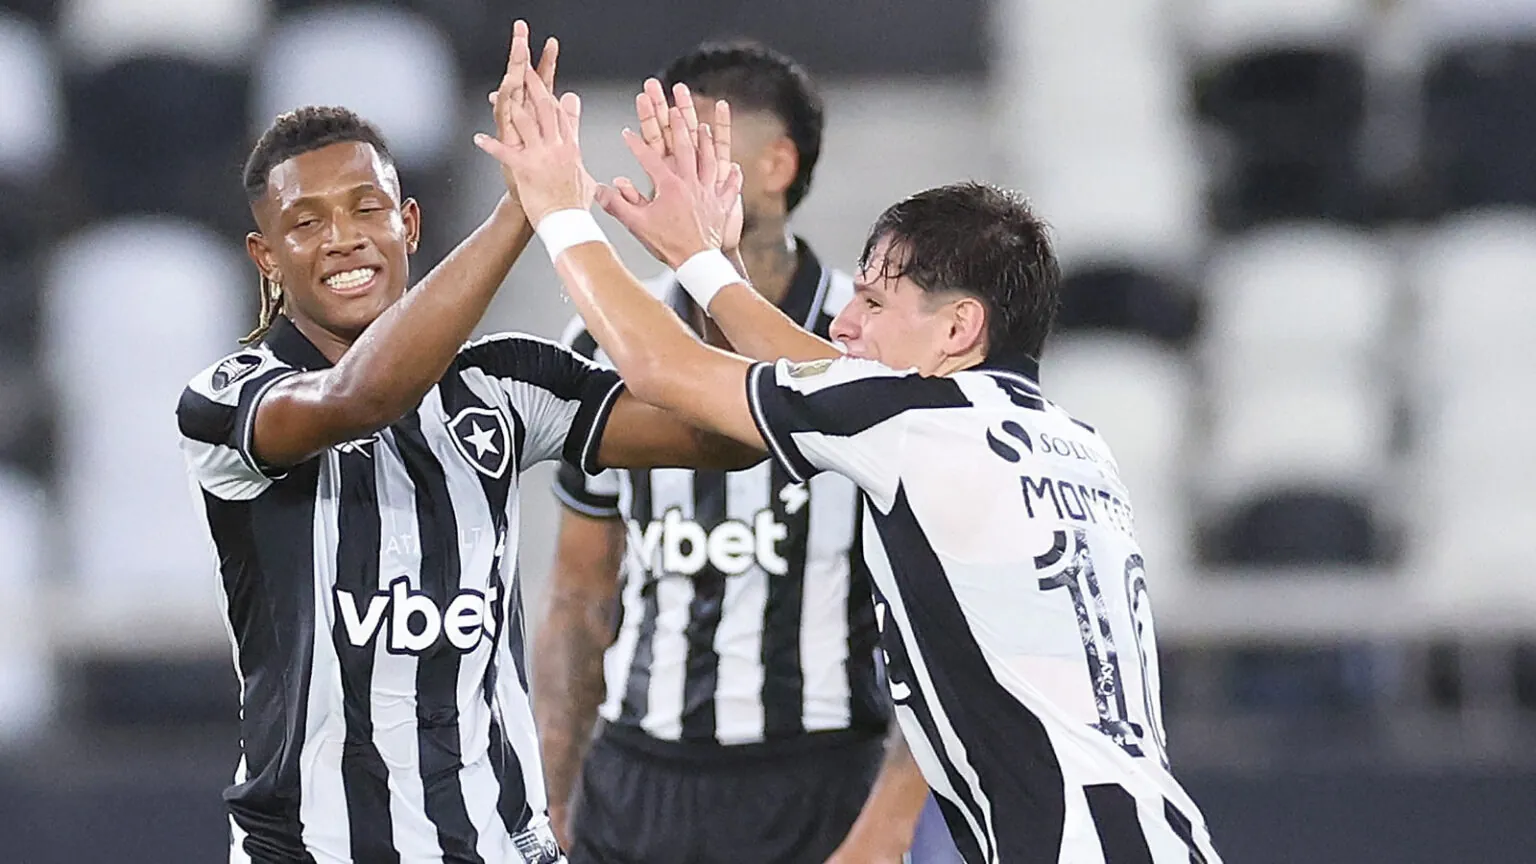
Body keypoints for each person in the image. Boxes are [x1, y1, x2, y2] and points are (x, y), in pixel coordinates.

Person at [474, 52, 1225, 864]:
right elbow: (819, 375)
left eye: (873, 302)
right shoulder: (1067, 441)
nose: (844, 323)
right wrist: (702, 261)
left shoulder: (917, 429)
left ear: (957, 328)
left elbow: (664, 368)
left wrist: (560, 214)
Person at [177, 23, 762, 863]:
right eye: (306, 222)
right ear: (266, 257)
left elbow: (725, 438)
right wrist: (523, 210)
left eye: (367, 208)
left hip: (499, 845)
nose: (343, 237)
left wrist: (709, 263)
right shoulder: (229, 398)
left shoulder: (504, 383)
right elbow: (361, 397)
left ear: (410, 224)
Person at [532, 42, 938, 864]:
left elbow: (941, 625)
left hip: (821, 778)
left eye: (689, 151)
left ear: (777, 164)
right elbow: (579, 590)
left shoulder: (870, 347)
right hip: (637, 779)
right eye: (654, 151)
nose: (662, 178)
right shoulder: (600, 341)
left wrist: (889, 822)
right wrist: (554, 790)